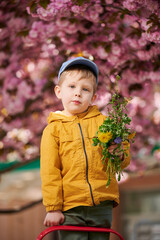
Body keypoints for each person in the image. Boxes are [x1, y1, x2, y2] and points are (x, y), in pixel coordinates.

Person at [40, 57, 131, 240]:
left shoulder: (105, 123)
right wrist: (53, 208)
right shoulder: (53, 130)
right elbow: (50, 171)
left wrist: (119, 153)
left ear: (93, 97)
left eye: (85, 89)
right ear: (58, 91)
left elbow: (122, 161)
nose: (78, 93)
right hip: (70, 206)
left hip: (102, 202)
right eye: (72, 87)